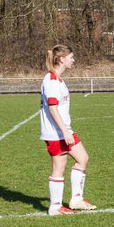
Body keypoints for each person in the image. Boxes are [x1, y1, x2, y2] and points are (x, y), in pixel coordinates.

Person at [40, 45, 96, 215]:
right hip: (56, 133)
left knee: (83, 158)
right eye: (71, 57)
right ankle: (55, 207)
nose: (73, 60)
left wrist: (67, 131)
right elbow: (52, 108)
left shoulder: (58, 80)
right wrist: (65, 132)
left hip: (64, 131)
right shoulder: (50, 81)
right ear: (62, 59)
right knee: (59, 167)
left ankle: (76, 199)